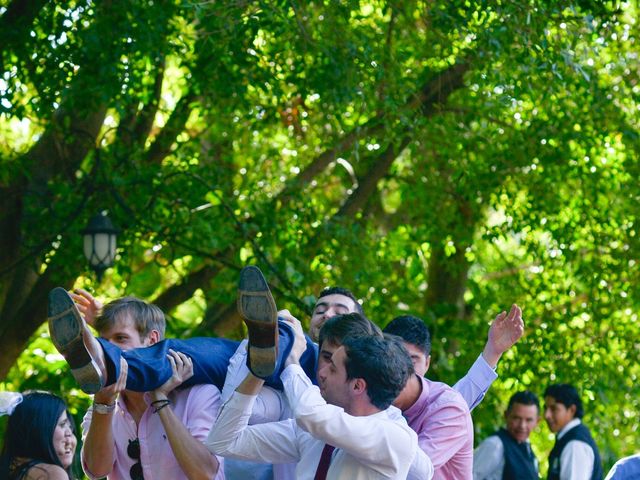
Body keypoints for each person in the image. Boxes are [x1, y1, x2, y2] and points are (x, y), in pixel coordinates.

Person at [206, 315, 434, 479]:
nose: (321, 372)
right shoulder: (311, 430)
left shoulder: (394, 436)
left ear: (357, 386)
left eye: (333, 368)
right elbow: (223, 442)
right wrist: (259, 371)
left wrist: (291, 361)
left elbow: (311, 414)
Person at [48, 290, 226, 480]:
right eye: (104, 342)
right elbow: (96, 471)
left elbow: (205, 474)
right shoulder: (102, 405)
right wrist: (103, 403)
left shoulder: (199, 394)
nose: (112, 348)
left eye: (120, 338)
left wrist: (160, 400)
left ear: (152, 340)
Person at [384, 315, 474, 479]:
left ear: (427, 363)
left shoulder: (448, 407)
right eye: (393, 358)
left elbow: (409, 472)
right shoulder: (369, 391)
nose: (400, 368)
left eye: (412, 360)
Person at [0, 391, 77, 480]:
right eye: (62, 424)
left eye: (70, 426)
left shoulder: (11, 470)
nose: (69, 433)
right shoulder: (50, 474)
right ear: (39, 427)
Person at [473, 390, 540, 480]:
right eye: (516, 418)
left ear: (537, 421)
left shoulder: (529, 452)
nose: (522, 426)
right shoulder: (495, 444)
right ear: (506, 415)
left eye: (528, 420)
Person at [544, 383, 603, 480]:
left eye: (554, 409)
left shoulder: (575, 444)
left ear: (571, 410)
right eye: (545, 408)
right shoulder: (568, 438)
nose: (547, 415)